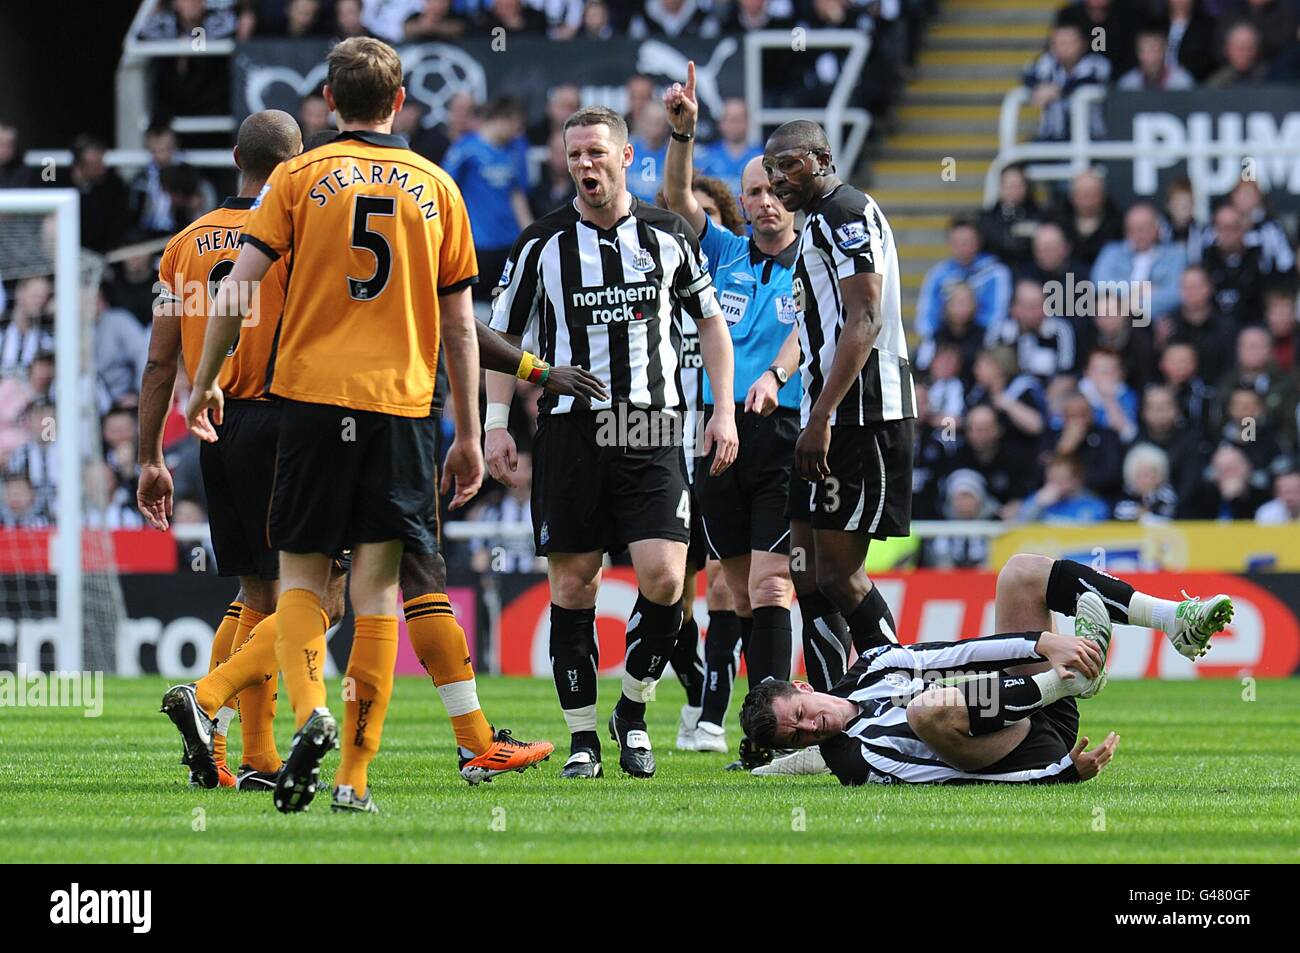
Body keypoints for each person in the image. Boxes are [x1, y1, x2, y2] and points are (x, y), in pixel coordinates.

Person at [170, 38, 554, 814]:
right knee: (377, 591)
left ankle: (292, 707)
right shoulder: (438, 185)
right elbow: (458, 325)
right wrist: (473, 433)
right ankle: (353, 776)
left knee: (304, 580)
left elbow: (239, 293)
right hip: (402, 408)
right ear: (401, 101)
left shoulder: (297, 175)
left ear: (326, 100)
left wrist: (204, 381)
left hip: (309, 404)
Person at [485, 104, 739, 780]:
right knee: (574, 583)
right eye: (574, 156)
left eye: (596, 153)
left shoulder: (667, 234)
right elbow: (500, 340)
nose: (585, 166)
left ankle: (632, 708)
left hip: (653, 425)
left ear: (627, 158)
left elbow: (711, 325)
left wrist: (723, 411)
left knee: (664, 578)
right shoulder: (540, 243)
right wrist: (494, 424)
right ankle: (581, 739)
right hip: (571, 429)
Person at [739, 554, 1234, 784]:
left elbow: (957, 653)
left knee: (1019, 572)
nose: (810, 727)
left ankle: (1173, 620)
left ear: (803, 686)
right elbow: (938, 774)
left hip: (1026, 698)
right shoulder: (851, 759)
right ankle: (1068, 680)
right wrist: (1059, 775)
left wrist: (1044, 641)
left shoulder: (873, 664)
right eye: (798, 736)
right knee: (927, 710)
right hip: (1015, 749)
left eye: (800, 713)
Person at [663, 64, 809, 769]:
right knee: (733, 591)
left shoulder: (818, 262)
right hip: (715, 433)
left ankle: (775, 734)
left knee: (771, 584)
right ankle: (757, 724)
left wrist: (777, 376)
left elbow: (816, 331)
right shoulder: (721, 251)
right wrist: (683, 133)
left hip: (782, 432)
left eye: (774, 190)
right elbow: (674, 198)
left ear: (793, 194)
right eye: (752, 192)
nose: (762, 203)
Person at [761, 119, 914, 778]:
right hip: (825, 414)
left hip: (860, 415)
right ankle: (837, 701)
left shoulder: (847, 212)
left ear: (823, 159)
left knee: (839, 574)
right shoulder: (819, 224)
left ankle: (901, 698)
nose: (776, 181)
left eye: (789, 166)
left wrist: (821, 415)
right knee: (804, 565)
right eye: (770, 170)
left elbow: (865, 316)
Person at [442, 97, 533, 302]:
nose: (517, 132)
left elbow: (517, 193)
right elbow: (445, 186)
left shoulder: (517, 148)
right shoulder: (466, 149)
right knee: (473, 307)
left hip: (509, 244)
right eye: (515, 126)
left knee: (502, 304)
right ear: (501, 119)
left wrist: (529, 233)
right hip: (477, 244)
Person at [915, 218, 1012, 339]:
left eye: (967, 242)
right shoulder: (937, 274)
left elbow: (998, 315)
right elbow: (926, 318)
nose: (962, 248)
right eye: (957, 242)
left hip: (984, 340)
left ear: (978, 242)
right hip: (946, 340)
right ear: (949, 243)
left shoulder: (995, 273)